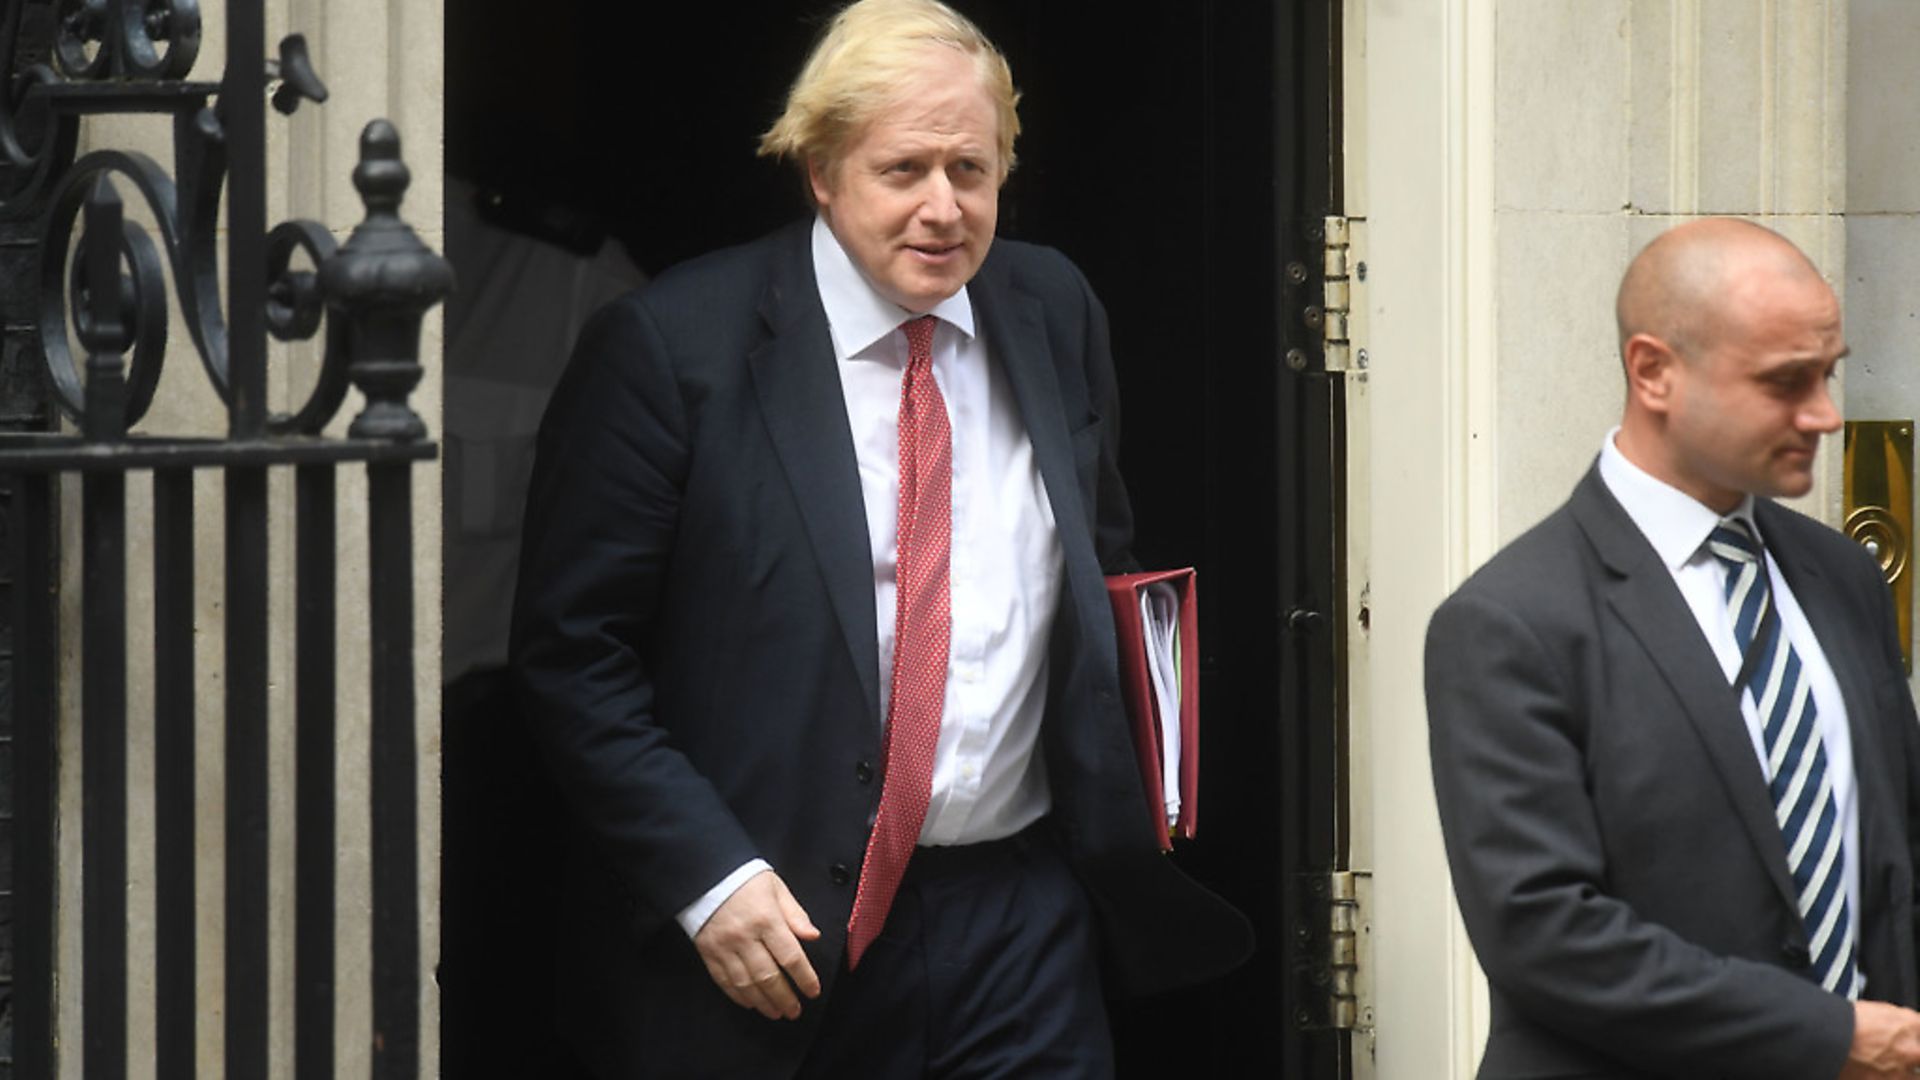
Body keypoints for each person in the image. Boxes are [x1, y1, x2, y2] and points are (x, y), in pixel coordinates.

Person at [509, 1, 1251, 1076]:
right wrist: (705, 878)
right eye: (904, 170)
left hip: (1019, 921)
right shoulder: (673, 349)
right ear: (822, 170)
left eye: (973, 170)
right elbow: (573, 655)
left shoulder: (1053, 307)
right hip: (777, 933)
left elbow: (1103, 565)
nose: (944, 209)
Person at [1426, 217, 1920, 1079]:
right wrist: (1829, 1039)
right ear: (1653, 370)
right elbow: (1545, 935)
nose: (1826, 415)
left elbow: (1896, 852)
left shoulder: (1843, 577)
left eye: (1828, 375)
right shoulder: (1510, 621)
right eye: (1785, 382)